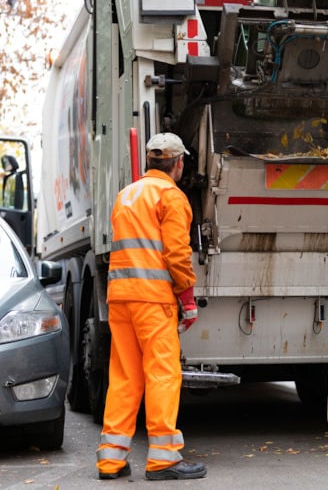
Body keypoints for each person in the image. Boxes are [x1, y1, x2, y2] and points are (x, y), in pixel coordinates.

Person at [96, 132, 206, 481]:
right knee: (162, 373)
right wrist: (187, 299)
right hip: (152, 299)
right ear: (178, 163)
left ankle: (110, 461)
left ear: (149, 162)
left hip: (120, 297)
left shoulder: (126, 195)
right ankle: (163, 459)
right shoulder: (170, 197)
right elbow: (176, 253)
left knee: (125, 376)